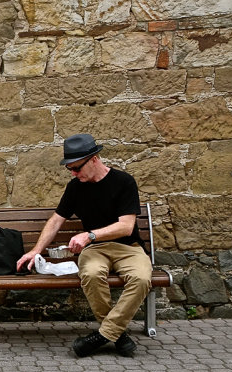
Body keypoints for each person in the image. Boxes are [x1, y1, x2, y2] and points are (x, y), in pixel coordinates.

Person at [16, 134, 153, 357]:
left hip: (128, 247)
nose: (73, 173)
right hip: (96, 250)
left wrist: (89, 235)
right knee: (90, 274)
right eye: (70, 169)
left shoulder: (124, 182)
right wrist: (35, 250)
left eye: (77, 168)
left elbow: (126, 226)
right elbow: (56, 220)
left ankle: (103, 335)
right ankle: (117, 335)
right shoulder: (75, 188)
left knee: (141, 278)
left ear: (94, 159)